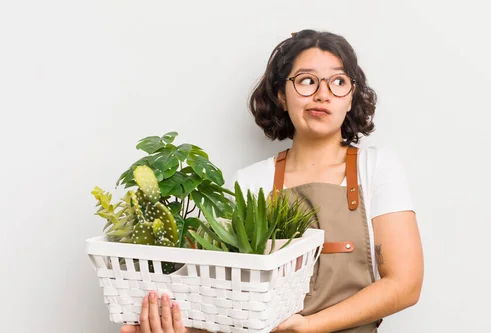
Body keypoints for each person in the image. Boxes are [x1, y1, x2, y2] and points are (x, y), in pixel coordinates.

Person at [121, 29, 423, 333]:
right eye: (306, 80)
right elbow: (224, 302)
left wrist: (308, 326)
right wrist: (175, 326)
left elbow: (405, 284)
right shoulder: (250, 183)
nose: (322, 93)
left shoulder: (376, 168)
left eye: (339, 82)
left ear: (350, 98)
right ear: (281, 94)